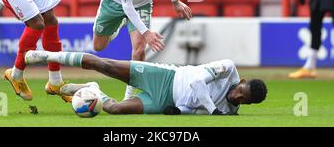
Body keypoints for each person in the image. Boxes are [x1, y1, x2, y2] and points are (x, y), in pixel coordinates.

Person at [24, 50, 268, 115]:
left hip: (163, 100)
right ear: (241, 82)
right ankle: (48, 55)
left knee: (114, 109)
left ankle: (92, 89)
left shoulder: (230, 109)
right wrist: (214, 110)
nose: (236, 97)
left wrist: (179, 112)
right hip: (164, 77)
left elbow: (194, 109)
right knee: (105, 65)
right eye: (239, 91)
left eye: (241, 100)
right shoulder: (228, 69)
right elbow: (196, 84)